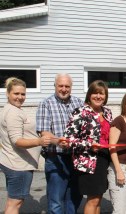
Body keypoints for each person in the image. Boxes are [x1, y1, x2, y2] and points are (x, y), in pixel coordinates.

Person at [0, 77, 51, 214]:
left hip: (13, 162)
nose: (20, 97)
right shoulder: (13, 113)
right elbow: (17, 140)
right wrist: (39, 141)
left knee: (12, 201)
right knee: (15, 203)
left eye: (23, 94)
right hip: (18, 166)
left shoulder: (11, 109)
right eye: (16, 94)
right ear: (8, 93)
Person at [36, 73, 83, 214]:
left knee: (74, 198)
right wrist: (59, 141)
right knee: (56, 202)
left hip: (76, 158)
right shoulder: (46, 104)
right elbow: (44, 132)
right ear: (55, 86)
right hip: (56, 158)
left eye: (67, 86)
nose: (64, 89)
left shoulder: (79, 103)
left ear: (71, 87)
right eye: (60, 86)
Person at [64, 80, 113, 214]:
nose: (98, 96)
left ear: (105, 96)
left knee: (99, 198)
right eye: (95, 93)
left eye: (101, 94)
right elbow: (68, 139)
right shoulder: (80, 112)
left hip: (104, 160)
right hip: (89, 161)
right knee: (92, 199)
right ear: (89, 95)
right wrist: (89, 145)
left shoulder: (107, 112)